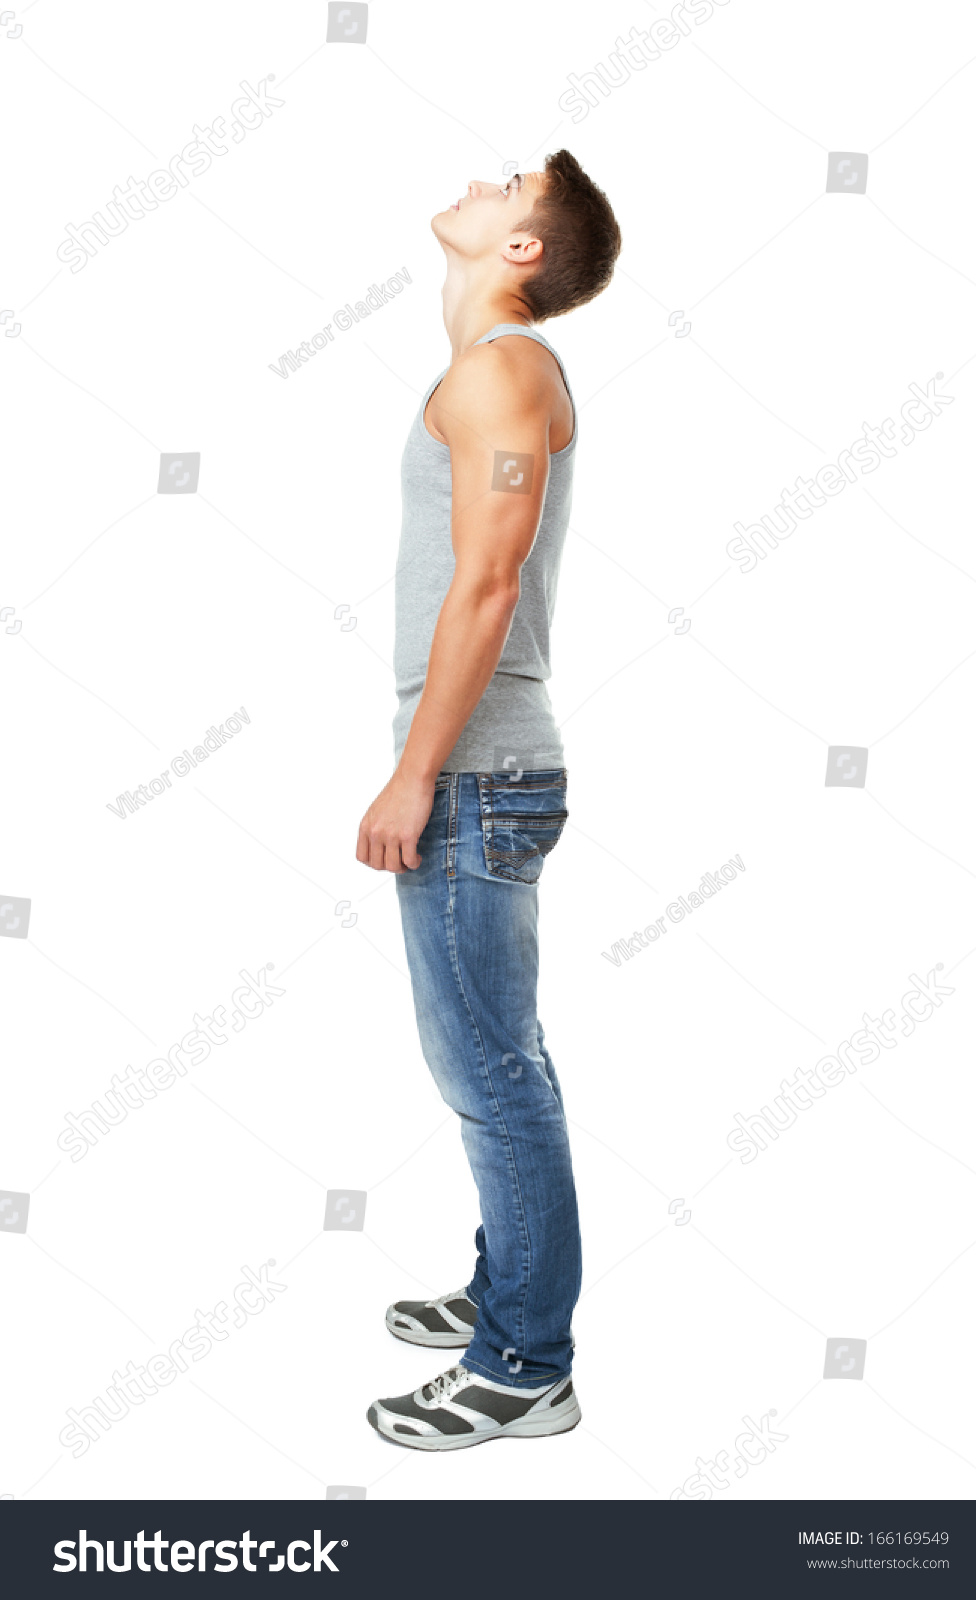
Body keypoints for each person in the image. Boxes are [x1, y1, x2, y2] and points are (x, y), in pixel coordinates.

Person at [356, 150, 621, 1451]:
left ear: (521, 250)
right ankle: (503, 1288)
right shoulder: (486, 371)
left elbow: (489, 584)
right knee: (486, 1062)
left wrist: (415, 773)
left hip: (472, 776)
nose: (480, 179)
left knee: (492, 1074)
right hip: (476, 772)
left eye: (509, 183)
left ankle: (524, 1363)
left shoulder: (504, 368)